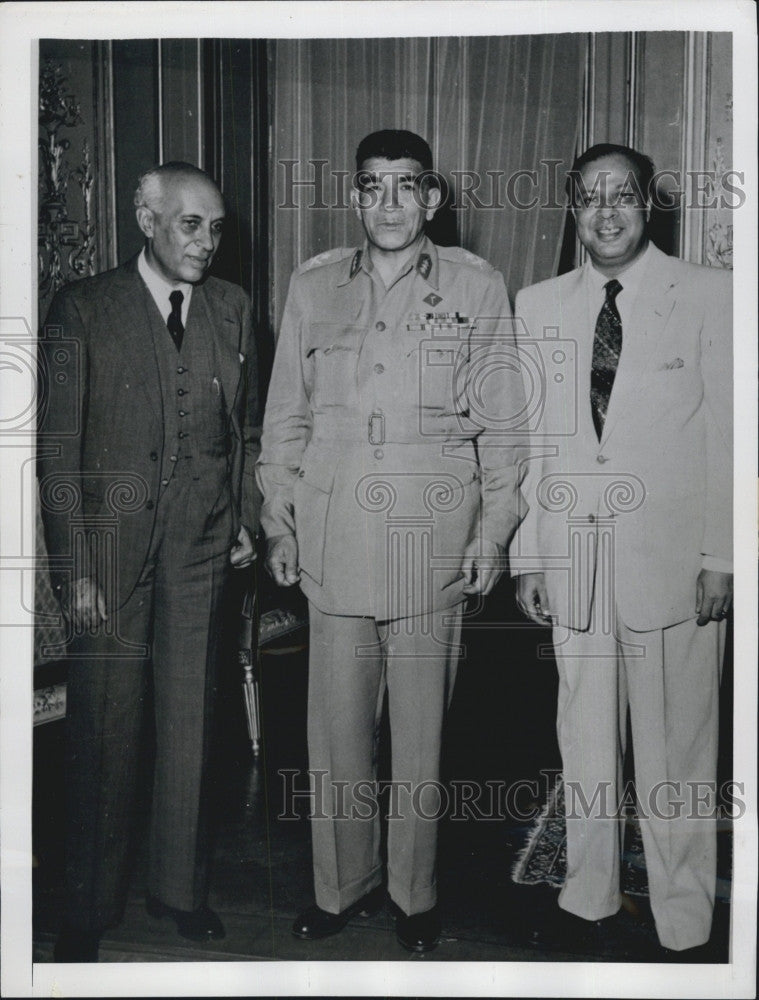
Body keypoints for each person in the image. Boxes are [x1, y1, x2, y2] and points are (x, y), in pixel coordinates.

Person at [257, 129, 526, 952]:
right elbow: (285, 419)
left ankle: (414, 894)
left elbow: (503, 428)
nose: (388, 203)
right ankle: (340, 887)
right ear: (354, 196)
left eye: (405, 186)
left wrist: (493, 532)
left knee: (420, 737)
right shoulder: (314, 286)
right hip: (333, 539)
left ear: (432, 198)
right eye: (371, 187)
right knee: (335, 734)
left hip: (429, 543)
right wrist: (279, 520)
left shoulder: (476, 287)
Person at [510, 143, 732, 956]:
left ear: (649, 206)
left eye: (624, 197)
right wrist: (529, 554)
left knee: (677, 753)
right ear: (571, 205)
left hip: (676, 567)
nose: (607, 213)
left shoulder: (712, 294)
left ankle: (683, 923)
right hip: (575, 561)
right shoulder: (536, 304)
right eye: (591, 197)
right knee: (584, 741)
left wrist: (724, 554)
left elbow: (730, 437)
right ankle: (586, 900)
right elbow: (532, 437)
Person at [38, 161, 259, 962]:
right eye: (190, 223)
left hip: (201, 554)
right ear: (145, 217)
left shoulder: (233, 311)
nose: (206, 240)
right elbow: (56, 457)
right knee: (104, 733)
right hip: (109, 560)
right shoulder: (83, 308)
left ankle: (179, 893)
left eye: (216, 226)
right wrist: (75, 570)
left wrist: (245, 519)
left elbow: (247, 432)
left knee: (190, 733)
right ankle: (86, 909)